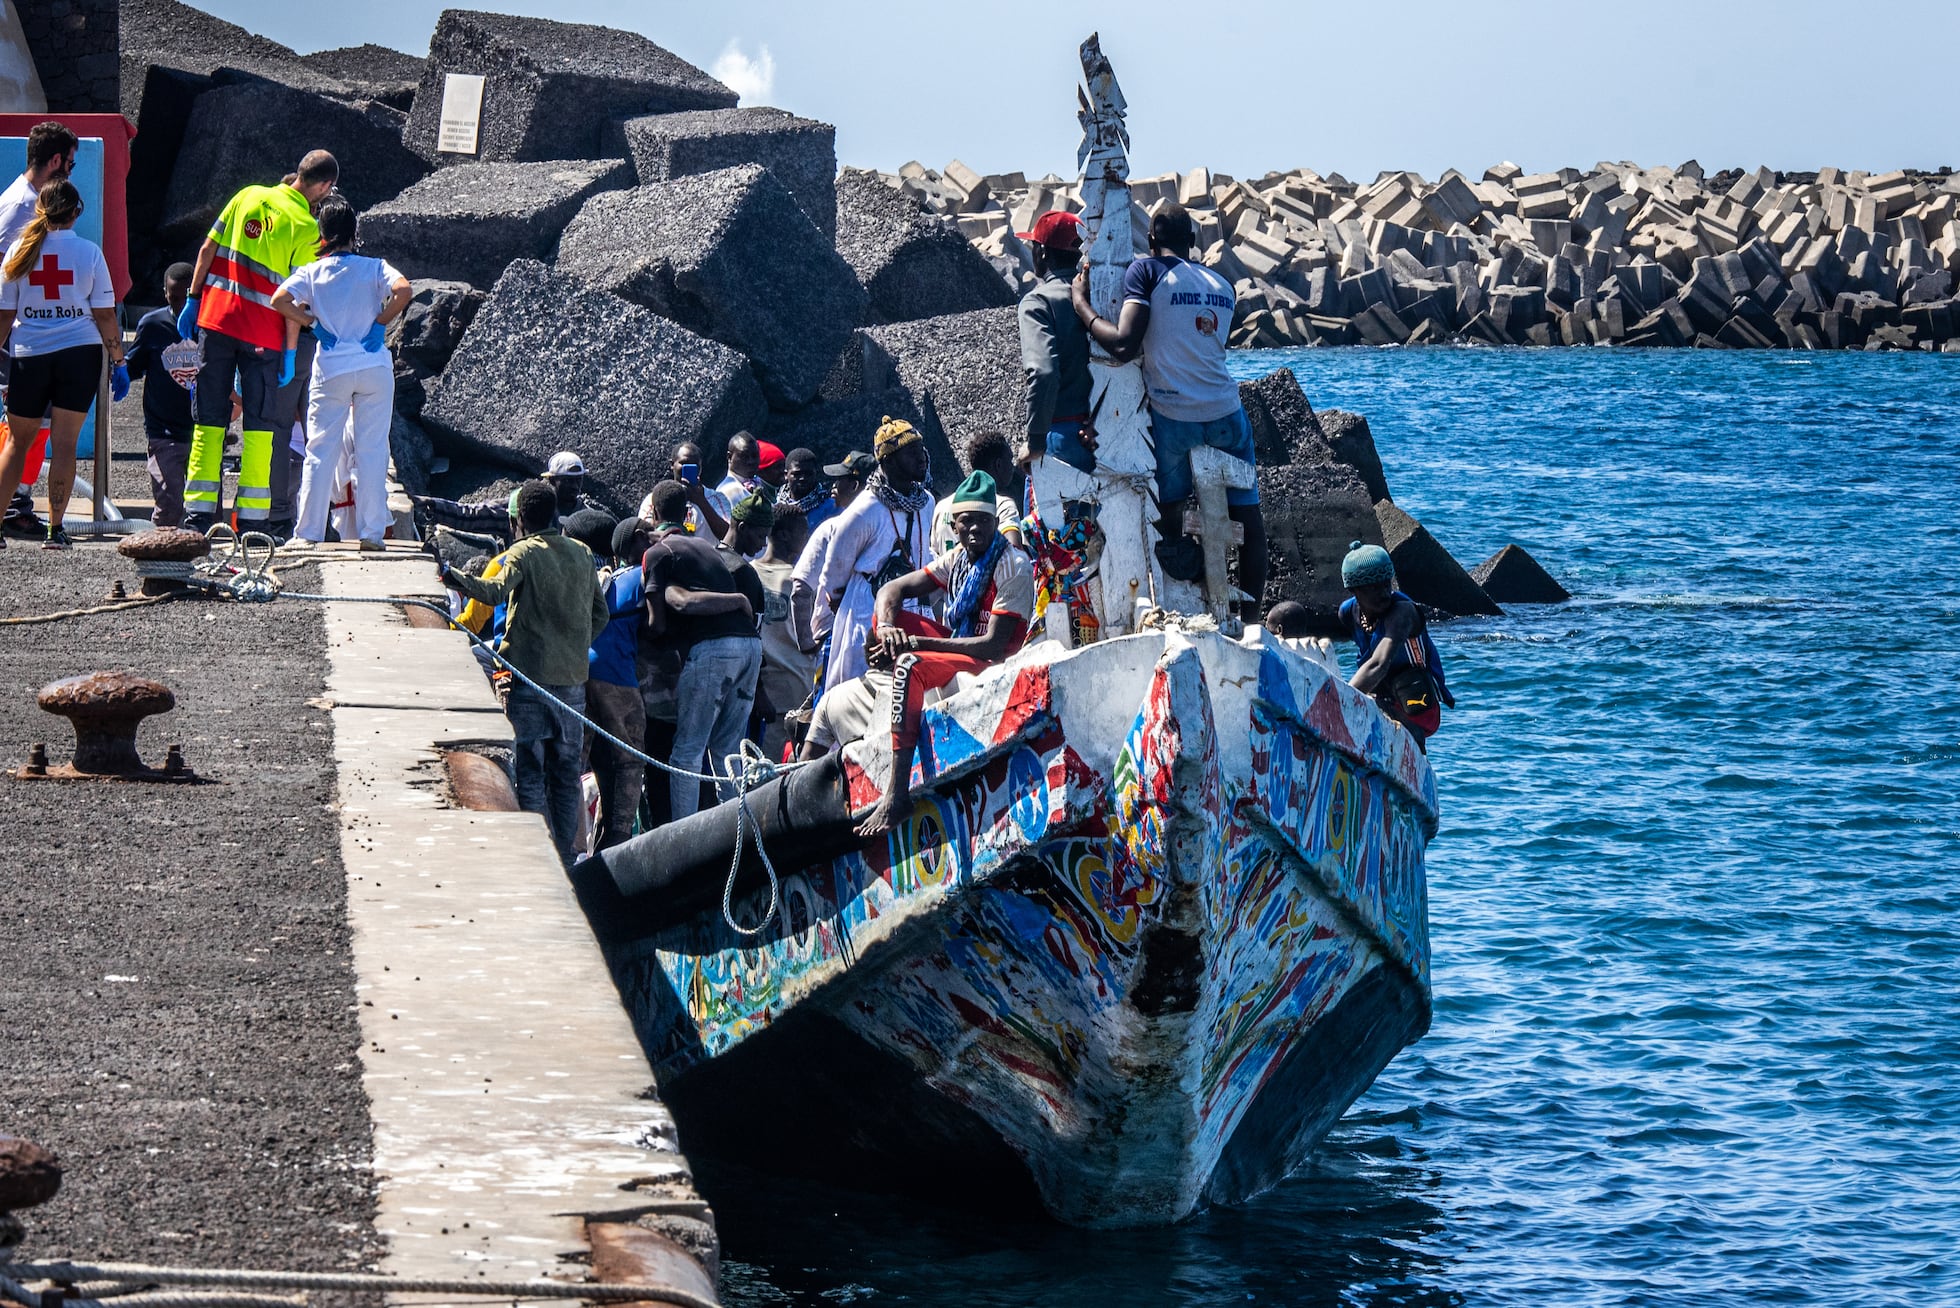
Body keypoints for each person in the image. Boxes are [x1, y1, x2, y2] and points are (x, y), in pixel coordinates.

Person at [1072, 202, 1266, 607]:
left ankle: (1180, 595)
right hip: (1227, 411)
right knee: (1247, 515)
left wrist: (1083, 308)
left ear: (1152, 239)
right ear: (1193, 243)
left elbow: (1125, 344)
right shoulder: (1222, 285)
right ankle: (1251, 618)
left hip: (1175, 417)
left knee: (1171, 515)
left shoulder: (1145, 272)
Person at [854, 470, 1034, 836]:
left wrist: (916, 645)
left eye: (983, 522)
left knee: (909, 665)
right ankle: (887, 656)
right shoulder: (958, 560)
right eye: (966, 523)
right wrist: (888, 630)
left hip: (991, 659)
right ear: (954, 526)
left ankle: (897, 795)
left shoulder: (1012, 563)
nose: (974, 531)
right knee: (882, 622)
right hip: (961, 645)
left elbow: (993, 646)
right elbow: (892, 589)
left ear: (995, 523)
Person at [441, 481, 610, 863]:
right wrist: (574, 645)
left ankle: (540, 855)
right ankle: (566, 857)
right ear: (554, 516)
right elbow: (601, 615)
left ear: (517, 521)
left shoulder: (521, 553)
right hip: (571, 684)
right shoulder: (582, 554)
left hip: (529, 681)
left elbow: (494, 592)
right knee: (566, 774)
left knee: (531, 770)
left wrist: (455, 579)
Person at [179, 150, 337, 533]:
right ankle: (251, 521)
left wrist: (192, 298)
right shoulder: (305, 227)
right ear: (325, 186)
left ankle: (198, 517)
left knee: (210, 421)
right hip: (262, 339)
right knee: (260, 427)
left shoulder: (246, 195)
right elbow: (292, 300)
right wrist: (290, 349)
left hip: (215, 324)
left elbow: (206, 250)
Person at [271, 196, 411, 549]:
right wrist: (381, 322)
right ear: (354, 232)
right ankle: (372, 533)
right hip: (372, 364)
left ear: (322, 234)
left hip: (331, 367)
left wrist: (311, 323)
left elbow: (279, 301)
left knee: (320, 451)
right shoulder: (375, 267)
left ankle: (307, 534)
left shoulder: (311, 272)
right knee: (372, 450)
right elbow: (404, 290)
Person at [0, 179, 125, 550]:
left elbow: (5, 318)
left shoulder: (18, 253)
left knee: (16, 444)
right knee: (65, 443)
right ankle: (56, 530)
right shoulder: (89, 253)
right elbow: (104, 315)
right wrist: (119, 361)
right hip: (78, 356)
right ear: (76, 212)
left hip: (28, 356)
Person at [641, 479, 762, 822]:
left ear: (653, 513)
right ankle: (736, 832)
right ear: (688, 512)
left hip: (714, 651)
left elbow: (674, 607)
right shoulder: (708, 548)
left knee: (687, 753)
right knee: (727, 751)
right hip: (749, 648)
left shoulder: (658, 554)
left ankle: (685, 838)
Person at [812, 419, 936, 694]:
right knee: (863, 695)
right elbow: (833, 574)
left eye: (921, 449)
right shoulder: (864, 509)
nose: (921, 457)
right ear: (888, 463)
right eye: (911, 452)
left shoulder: (926, 502)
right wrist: (828, 621)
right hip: (866, 615)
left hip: (914, 610)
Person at [0, 121, 77, 541]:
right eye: (69, 162)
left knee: (31, 424)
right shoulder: (20, 208)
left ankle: (15, 501)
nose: (71, 169)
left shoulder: (30, 201)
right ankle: (12, 505)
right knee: (23, 425)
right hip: (20, 335)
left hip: (29, 332)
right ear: (54, 160)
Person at [564, 508, 646, 852]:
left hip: (576, 674)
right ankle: (617, 843)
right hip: (618, 679)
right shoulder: (634, 578)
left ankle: (568, 848)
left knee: (572, 762)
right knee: (628, 762)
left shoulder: (574, 577)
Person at [1338, 541, 1453, 752]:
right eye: (1373, 587)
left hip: (1419, 706)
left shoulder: (1402, 613)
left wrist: (1340, 702)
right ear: (1354, 589)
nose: (1383, 593)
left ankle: (1409, 730)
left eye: (1385, 585)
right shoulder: (1348, 612)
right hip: (1384, 694)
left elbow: (1378, 664)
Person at [1018, 211, 1096, 473]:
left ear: (1042, 252)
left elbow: (1044, 373)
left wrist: (1035, 441)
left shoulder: (1038, 302)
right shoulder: (1101, 296)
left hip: (1061, 438)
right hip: (1104, 433)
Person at [789, 449, 873, 684]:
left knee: (827, 714)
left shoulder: (831, 528)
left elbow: (800, 591)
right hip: (880, 642)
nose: (833, 486)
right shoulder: (892, 525)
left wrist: (806, 642)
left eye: (840, 480)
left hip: (833, 639)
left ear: (856, 485)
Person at [125, 262, 199, 526]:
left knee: (204, 510)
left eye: (185, 298)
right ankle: (163, 553)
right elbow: (134, 365)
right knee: (169, 502)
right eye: (173, 297)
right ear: (165, 293)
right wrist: (117, 372)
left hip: (203, 432)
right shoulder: (153, 324)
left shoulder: (209, 326)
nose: (179, 305)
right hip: (163, 430)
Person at [748, 504, 812, 758]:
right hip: (795, 688)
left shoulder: (749, 573)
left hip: (757, 689)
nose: (806, 539)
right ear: (785, 535)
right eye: (802, 533)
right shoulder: (801, 580)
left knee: (757, 768)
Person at [931, 429, 1025, 554]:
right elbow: (1013, 552)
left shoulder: (941, 507)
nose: (1012, 468)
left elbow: (934, 556)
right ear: (998, 464)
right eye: (1010, 460)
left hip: (949, 573)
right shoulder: (1003, 505)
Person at [636, 441, 730, 538]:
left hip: (705, 552)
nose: (690, 468)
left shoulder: (716, 498)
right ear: (672, 464)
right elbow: (644, 536)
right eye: (684, 463)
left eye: (695, 465)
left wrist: (701, 501)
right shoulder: (656, 498)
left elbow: (729, 535)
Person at [775, 446, 837, 532]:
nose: (803, 478)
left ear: (816, 474)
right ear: (786, 475)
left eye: (808, 474)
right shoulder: (775, 504)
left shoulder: (832, 508)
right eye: (797, 474)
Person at [717, 431, 761, 504]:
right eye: (744, 456)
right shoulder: (727, 492)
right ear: (729, 457)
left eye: (755, 456)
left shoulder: (760, 484)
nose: (751, 461)